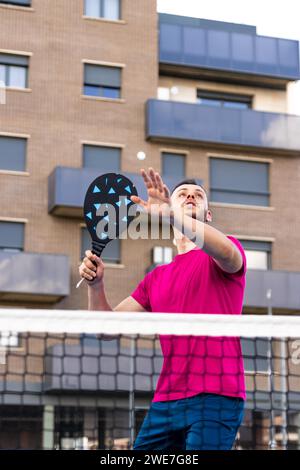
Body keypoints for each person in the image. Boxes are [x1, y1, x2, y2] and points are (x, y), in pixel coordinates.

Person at [79, 167, 246, 450]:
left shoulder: (226, 252)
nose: (191, 196)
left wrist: (173, 213)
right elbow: (106, 330)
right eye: (183, 194)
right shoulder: (156, 278)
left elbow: (228, 254)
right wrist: (96, 286)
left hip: (217, 395)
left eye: (198, 196)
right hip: (167, 401)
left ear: (208, 216)